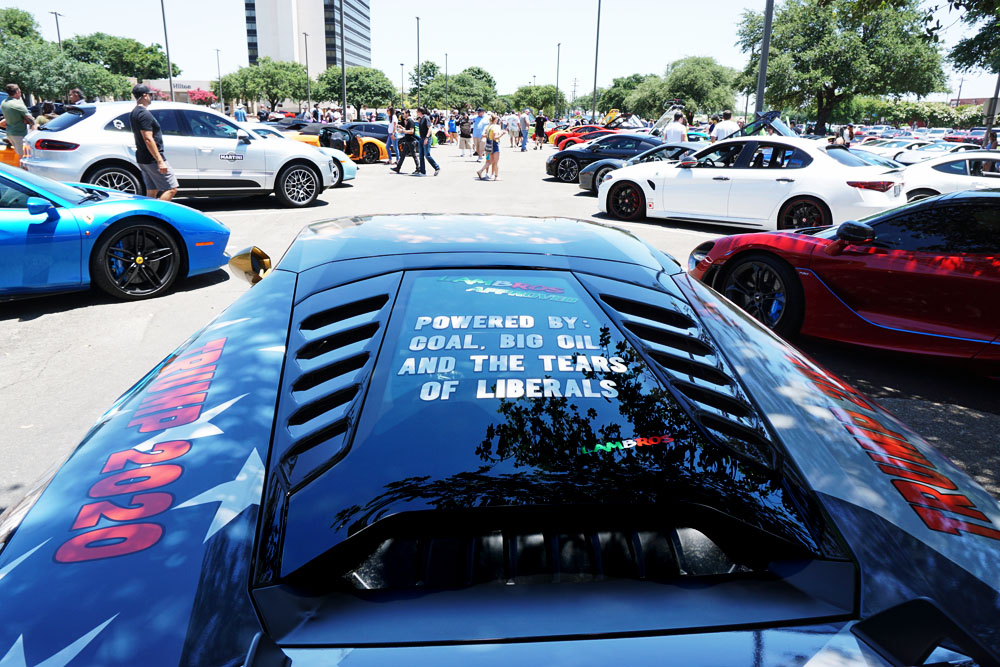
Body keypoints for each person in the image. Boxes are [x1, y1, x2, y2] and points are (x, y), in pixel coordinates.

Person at [129, 84, 178, 201]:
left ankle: (146, 216)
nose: (152, 97)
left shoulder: (134, 112)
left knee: (152, 190)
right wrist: (160, 161)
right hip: (152, 159)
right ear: (145, 96)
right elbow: (148, 139)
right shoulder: (143, 114)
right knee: (171, 189)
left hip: (143, 157)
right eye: (151, 95)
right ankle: (157, 214)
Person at [1, 84, 35, 160]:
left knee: (18, 155)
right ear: (17, 92)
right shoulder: (18, 105)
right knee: (22, 158)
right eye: (19, 90)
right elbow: (32, 121)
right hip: (19, 134)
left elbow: (8, 118)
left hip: (10, 133)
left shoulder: (4, 103)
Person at [416, 107, 440, 176]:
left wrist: (426, 138)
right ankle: (422, 171)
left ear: (420, 112)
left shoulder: (426, 118)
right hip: (421, 138)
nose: (416, 113)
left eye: (417, 111)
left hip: (426, 139)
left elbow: (429, 128)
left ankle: (437, 167)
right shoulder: (421, 119)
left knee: (427, 155)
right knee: (421, 156)